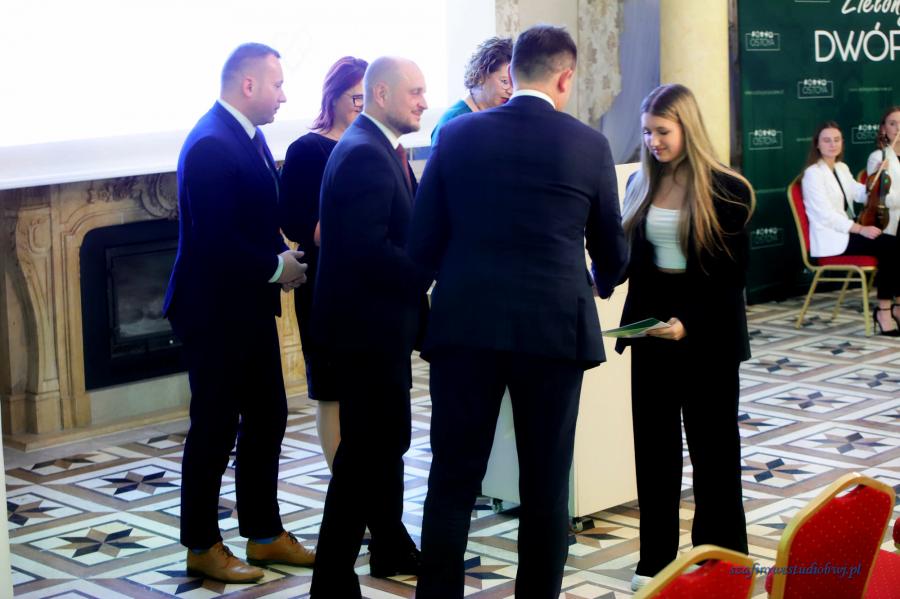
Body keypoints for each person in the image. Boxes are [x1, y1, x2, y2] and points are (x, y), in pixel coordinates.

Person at [408, 25, 628, 599]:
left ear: (512, 70)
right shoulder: (588, 144)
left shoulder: (457, 136)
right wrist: (600, 282)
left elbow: (422, 243)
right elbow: (612, 251)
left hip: (465, 328)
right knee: (546, 485)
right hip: (553, 331)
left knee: (452, 480)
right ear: (565, 77)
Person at [162, 43, 315, 583]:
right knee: (215, 427)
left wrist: (283, 260)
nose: (283, 96)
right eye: (278, 84)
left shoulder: (249, 135)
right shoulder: (210, 143)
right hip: (213, 312)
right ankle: (202, 544)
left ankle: (265, 534)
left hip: (246, 306)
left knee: (269, 416)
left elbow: (255, 218)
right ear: (248, 85)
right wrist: (276, 267)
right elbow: (216, 243)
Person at [617, 84, 754, 591]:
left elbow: (732, 277)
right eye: (647, 132)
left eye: (662, 131)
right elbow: (632, 262)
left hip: (709, 334)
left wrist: (688, 322)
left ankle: (721, 558)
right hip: (653, 332)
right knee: (654, 454)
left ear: (687, 129)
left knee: (714, 451)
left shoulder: (727, 189)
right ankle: (654, 560)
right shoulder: (640, 182)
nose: (652, 141)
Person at [309, 56, 430, 598]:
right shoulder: (363, 153)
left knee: (379, 449)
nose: (424, 102)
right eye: (415, 92)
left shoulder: (375, 145)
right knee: (362, 458)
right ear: (381, 93)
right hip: (366, 333)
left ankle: (381, 552)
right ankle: (332, 583)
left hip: (377, 330)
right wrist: (427, 274)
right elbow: (368, 252)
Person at [279, 56, 368, 471]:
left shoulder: (378, 145)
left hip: (370, 287)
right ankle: (344, 491)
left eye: (369, 98)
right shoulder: (306, 149)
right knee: (332, 391)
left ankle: (368, 486)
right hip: (325, 287)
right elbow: (293, 220)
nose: (362, 106)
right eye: (355, 97)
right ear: (333, 96)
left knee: (368, 392)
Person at [803, 121, 900, 335]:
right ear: (817, 144)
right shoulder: (813, 174)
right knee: (890, 245)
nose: (832, 144)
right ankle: (885, 312)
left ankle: (894, 308)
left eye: (836, 140)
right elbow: (825, 215)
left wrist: (876, 178)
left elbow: (861, 194)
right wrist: (860, 229)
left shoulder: (841, 168)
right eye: (827, 140)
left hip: (846, 232)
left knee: (893, 244)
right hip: (832, 238)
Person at [430, 36, 512, 146]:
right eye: (505, 82)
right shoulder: (452, 120)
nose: (511, 91)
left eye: (514, 83)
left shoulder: (504, 116)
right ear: (481, 76)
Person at [866, 106, 900, 236]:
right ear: (884, 130)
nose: (898, 128)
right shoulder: (878, 157)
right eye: (892, 124)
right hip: (892, 223)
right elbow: (881, 199)